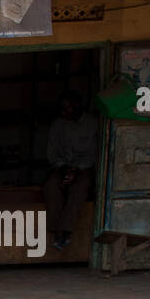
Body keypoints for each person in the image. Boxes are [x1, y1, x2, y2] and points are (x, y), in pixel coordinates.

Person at [43, 91, 98, 251]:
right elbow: (51, 153)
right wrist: (64, 169)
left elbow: (95, 154)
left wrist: (76, 170)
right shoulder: (58, 125)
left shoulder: (93, 124)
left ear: (78, 107)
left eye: (67, 109)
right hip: (62, 167)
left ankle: (66, 231)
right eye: (62, 109)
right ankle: (54, 230)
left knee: (79, 189)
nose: (63, 112)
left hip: (84, 168)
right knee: (51, 186)